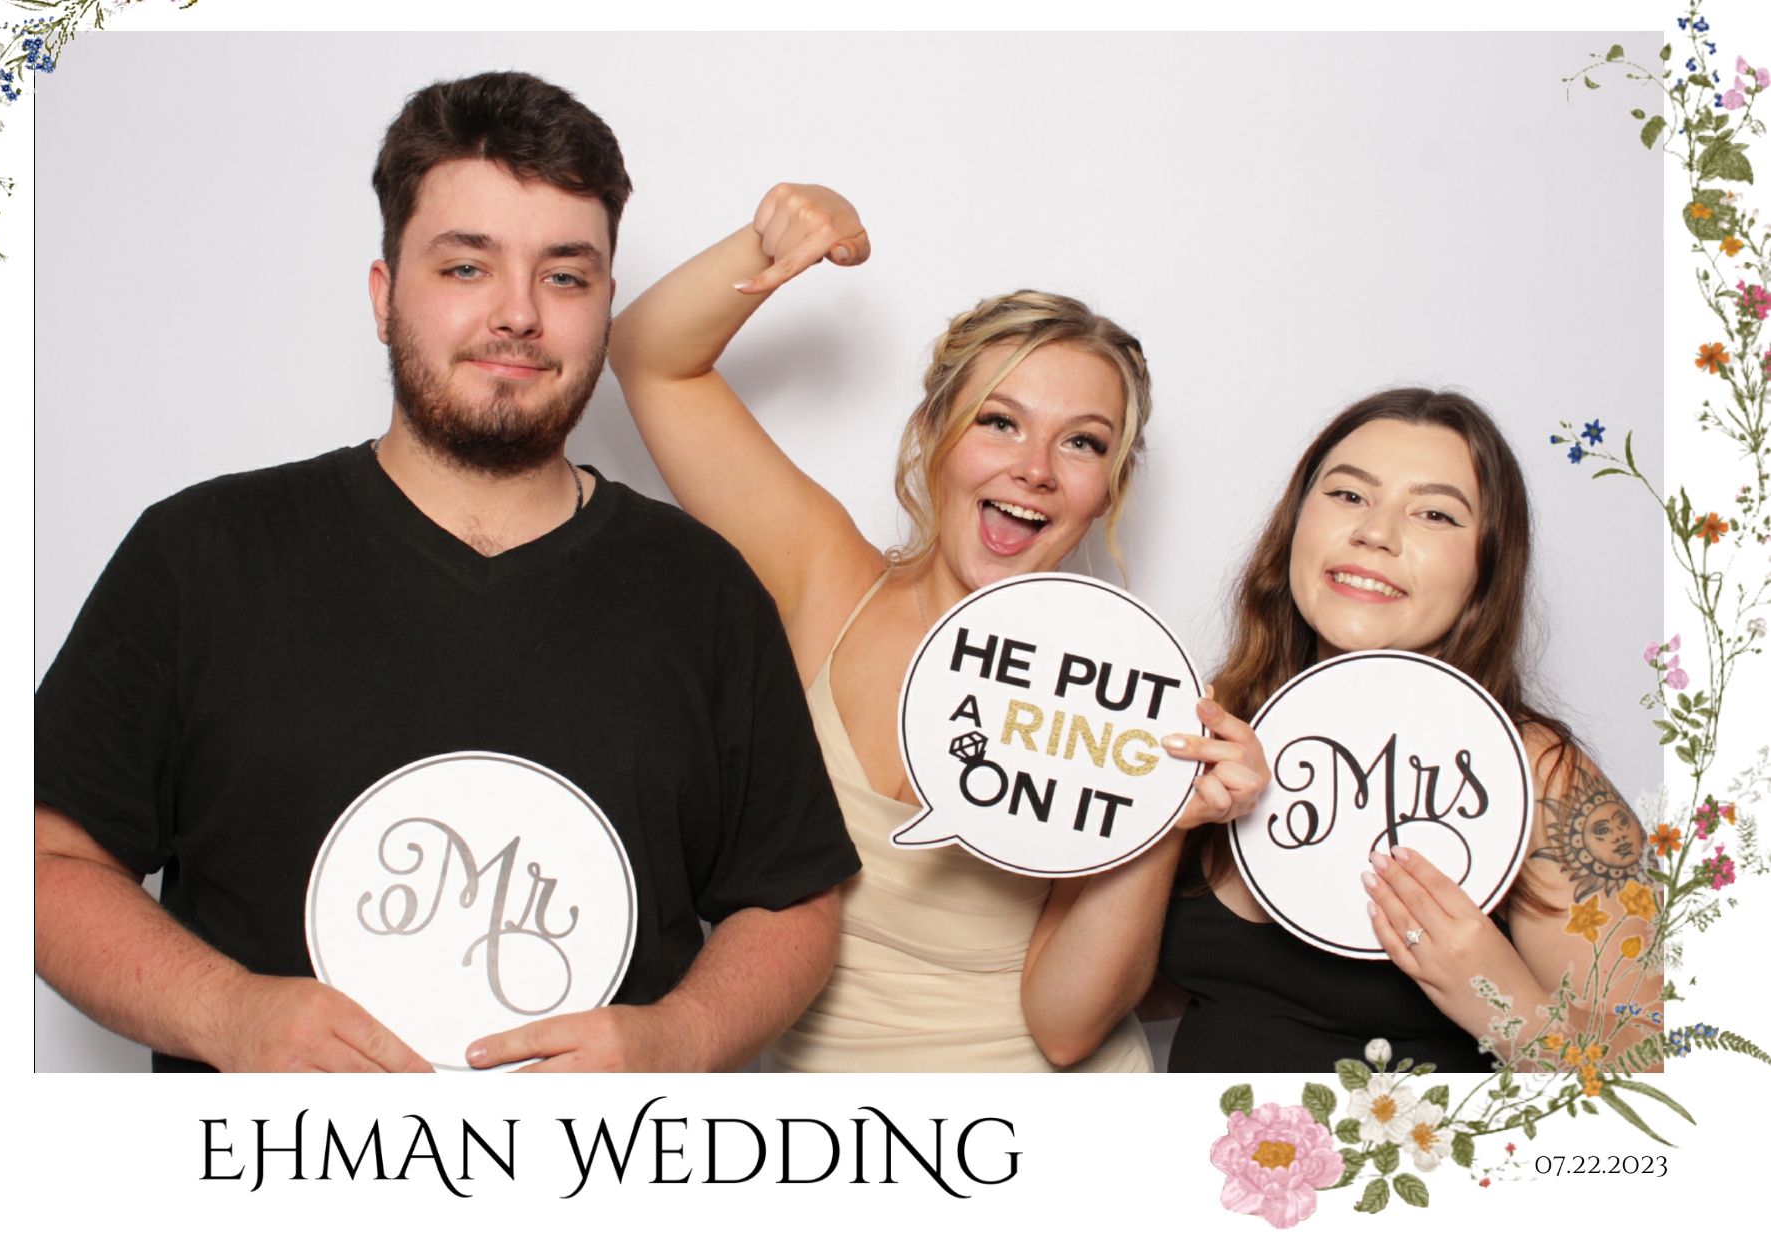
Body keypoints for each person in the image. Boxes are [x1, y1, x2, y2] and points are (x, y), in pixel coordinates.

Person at [33, 72, 861, 1073]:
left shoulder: (705, 589)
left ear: (605, 306)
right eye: (466, 267)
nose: (518, 314)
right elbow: (42, 860)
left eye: (566, 277)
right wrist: (227, 1014)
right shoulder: (199, 555)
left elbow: (790, 899)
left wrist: (678, 1039)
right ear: (385, 297)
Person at [607, 184, 1270, 1072]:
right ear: (931, 433)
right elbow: (649, 358)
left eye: (1083, 442)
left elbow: (1067, 1027)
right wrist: (776, 238)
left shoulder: (1124, 693)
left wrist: (1164, 819)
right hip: (836, 1137)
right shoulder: (825, 579)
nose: (1035, 469)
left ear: (1109, 487)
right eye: (1000, 422)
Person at [1155, 388, 1661, 1072]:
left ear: (1486, 568)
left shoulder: (1539, 776)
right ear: (1295, 525)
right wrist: (1157, 838)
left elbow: (1663, 1074)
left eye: (1435, 514)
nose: (1376, 532)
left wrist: (1503, 1001)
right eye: (1348, 495)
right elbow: (1125, 1004)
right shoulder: (1218, 733)